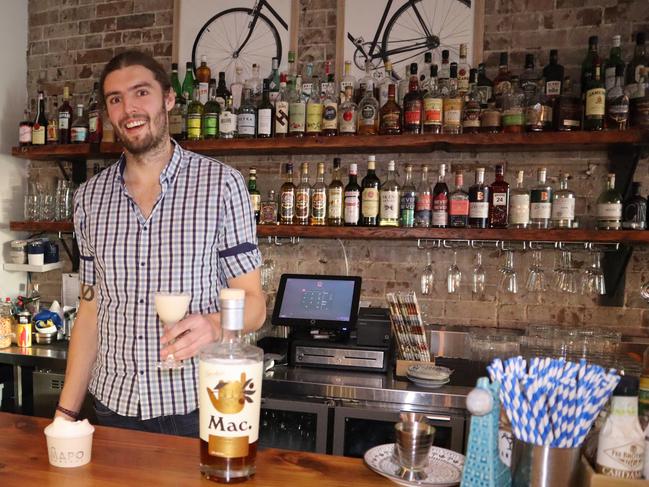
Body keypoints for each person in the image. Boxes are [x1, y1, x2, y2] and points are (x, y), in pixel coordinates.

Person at [54, 51, 266, 436]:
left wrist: (216, 326)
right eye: (116, 99)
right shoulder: (88, 198)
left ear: (168, 99)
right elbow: (90, 310)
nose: (129, 108)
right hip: (113, 407)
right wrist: (66, 414)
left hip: (196, 405)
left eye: (141, 93)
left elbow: (254, 305)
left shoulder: (222, 186)